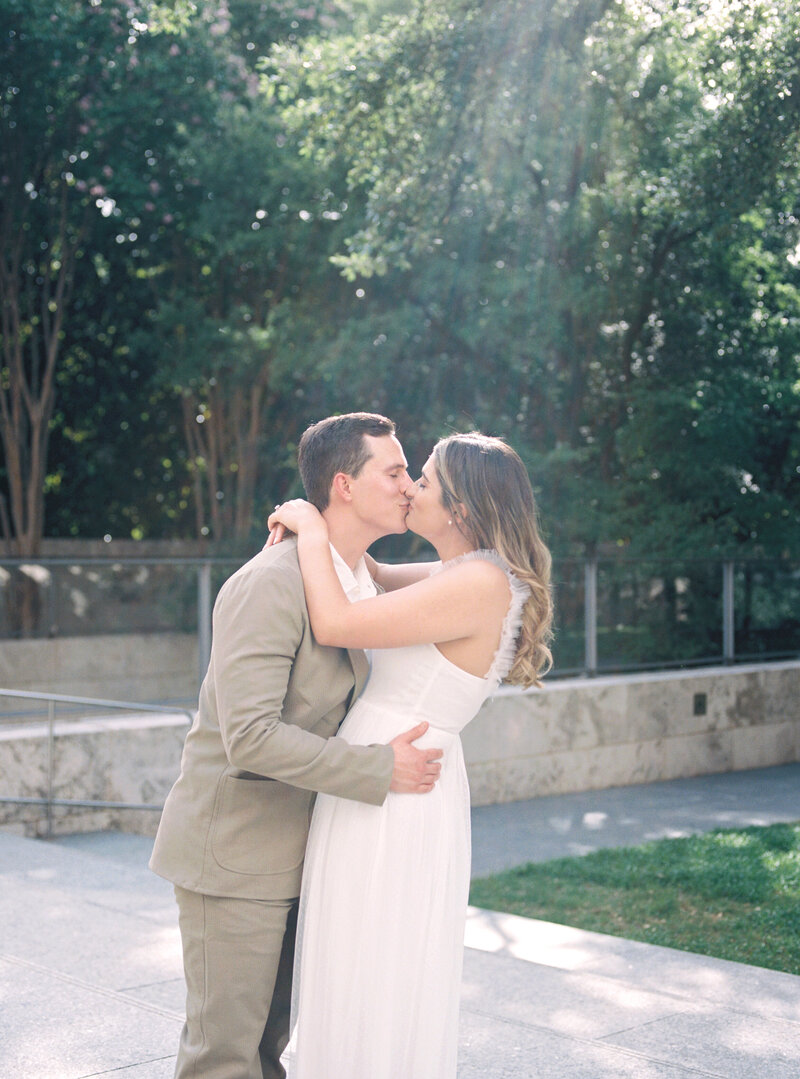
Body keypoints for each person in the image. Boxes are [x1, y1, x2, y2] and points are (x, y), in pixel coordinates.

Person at [149, 412, 444, 1079]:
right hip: (233, 857)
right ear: (344, 485)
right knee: (223, 1058)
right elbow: (248, 736)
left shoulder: (351, 574)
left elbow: (461, 580)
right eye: (394, 471)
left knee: (266, 1053)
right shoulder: (268, 583)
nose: (408, 485)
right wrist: (379, 768)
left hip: (302, 855)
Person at [267, 431, 553, 1079]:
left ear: (459, 509)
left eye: (422, 480)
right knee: (356, 961)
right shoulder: (460, 573)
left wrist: (310, 527)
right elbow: (369, 579)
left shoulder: (480, 583)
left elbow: (337, 621)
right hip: (382, 781)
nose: (410, 488)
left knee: (374, 967)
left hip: (398, 795)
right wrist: (340, 520)